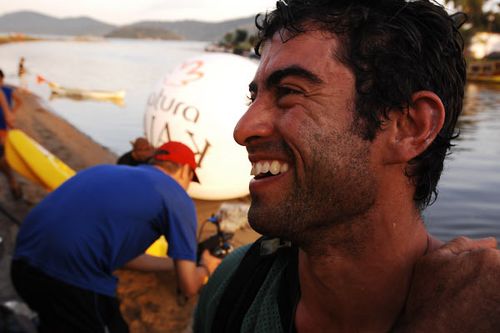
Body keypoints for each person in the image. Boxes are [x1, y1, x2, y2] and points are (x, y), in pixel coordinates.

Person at [194, 1, 500, 332]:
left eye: (290, 93)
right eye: (253, 98)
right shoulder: (235, 286)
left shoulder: (484, 314)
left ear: (409, 127)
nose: (243, 129)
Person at [11, 141, 221, 333]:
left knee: (59, 320)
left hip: (21, 265)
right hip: (69, 280)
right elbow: (189, 287)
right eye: (190, 179)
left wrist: (173, 264)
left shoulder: (105, 170)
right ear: (185, 170)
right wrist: (205, 268)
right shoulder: (177, 196)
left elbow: (127, 258)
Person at [0, 69, 22, 200]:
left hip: (2, 125)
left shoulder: (5, 91)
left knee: (2, 159)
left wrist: (11, 115)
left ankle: (13, 182)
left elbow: (9, 115)